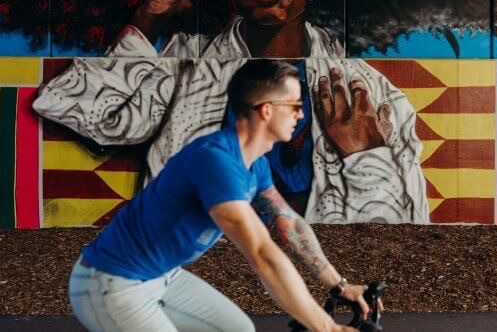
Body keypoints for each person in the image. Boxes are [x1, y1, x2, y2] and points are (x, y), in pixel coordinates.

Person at [34, 0, 428, 224]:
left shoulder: (368, 93)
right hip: (197, 274)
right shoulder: (186, 64)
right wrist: (152, 12)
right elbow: (79, 110)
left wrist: (366, 156)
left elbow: (402, 235)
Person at [69, 59, 375, 332]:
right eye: (294, 105)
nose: (301, 114)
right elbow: (262, 255)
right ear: (267, 110)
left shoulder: (254, 163)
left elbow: (289, 225)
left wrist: (339, 285)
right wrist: (325, 327)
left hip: (163, 277)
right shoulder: (215, 161)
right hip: (112, 284)